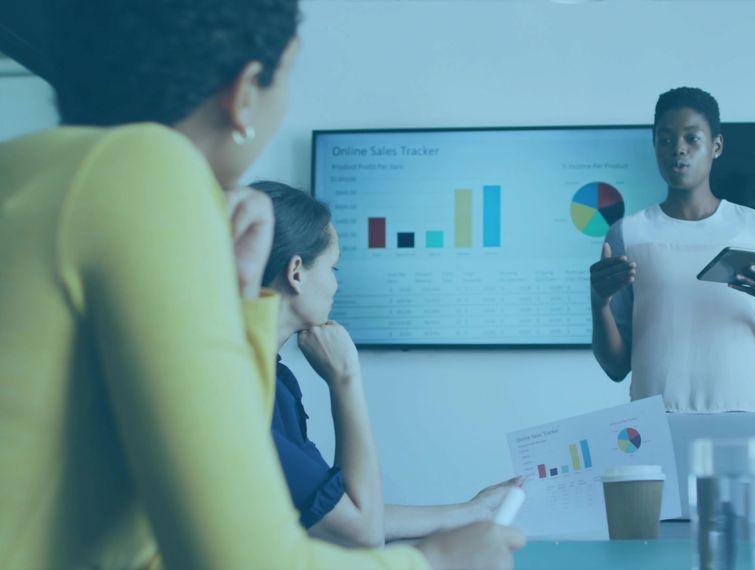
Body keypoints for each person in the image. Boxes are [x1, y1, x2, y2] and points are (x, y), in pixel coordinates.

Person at [0, 1, 522, 568]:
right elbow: (239, 558)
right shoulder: (149, 172)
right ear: (245, 90)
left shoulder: (23, 168)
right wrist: (437, 562)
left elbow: (155, 524)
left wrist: (243, 301)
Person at [251, 180, 522, 547]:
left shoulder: (277, 379)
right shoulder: (243, 387)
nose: (336, 286)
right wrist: (345, 378)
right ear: (296, 272)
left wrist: (474, 510)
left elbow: (338, 512)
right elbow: (359, 532)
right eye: (334, 269)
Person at [590, 87, 755, 412]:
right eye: (666, 139)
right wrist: (599, 304)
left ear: (716, 146)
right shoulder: (627, 234)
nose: (678, 150)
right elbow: (616, 368)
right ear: (654, 146)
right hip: (656, 426)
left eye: (692, 138)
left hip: (743, 419)